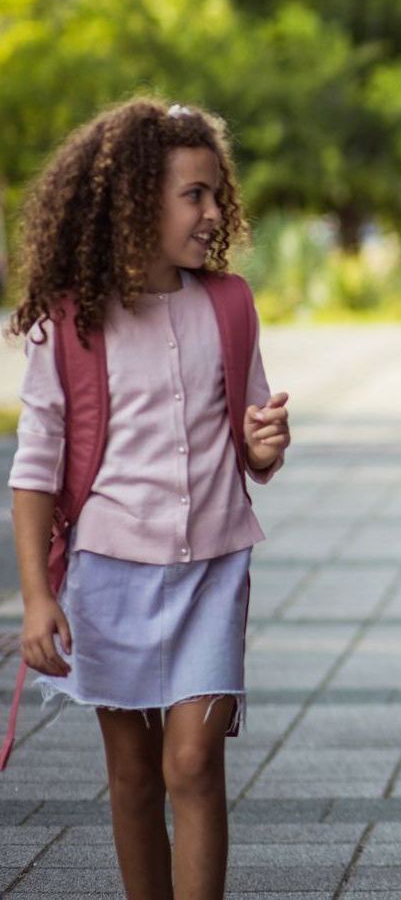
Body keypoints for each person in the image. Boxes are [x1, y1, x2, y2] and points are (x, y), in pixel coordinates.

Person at [7, 100, 289, 900]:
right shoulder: (70, 321)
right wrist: (35, 598)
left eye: (213, 193)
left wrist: (262, 446)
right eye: (192, 196)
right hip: (109, 574)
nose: (212, 213)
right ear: (134, 204)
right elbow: (36, 467)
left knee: (194, 764)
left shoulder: (228, 303)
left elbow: (249, 431)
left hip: (211, 570)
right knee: (133, 777)